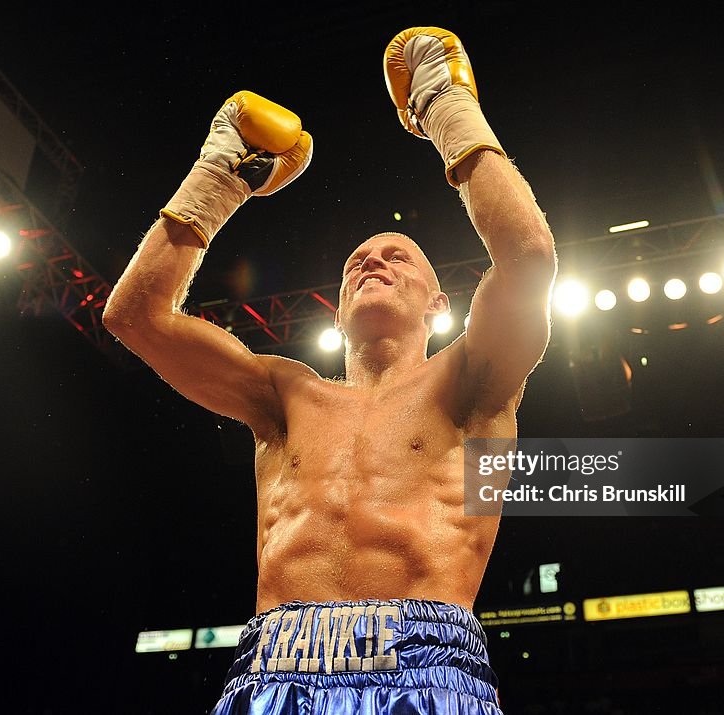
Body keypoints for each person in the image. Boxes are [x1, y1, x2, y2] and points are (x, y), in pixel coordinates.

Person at [103, 26, 557, 715]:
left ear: (439, 304)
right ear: (338, 313)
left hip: (426, 662)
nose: (372, 261)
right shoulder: (283, 393)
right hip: (274, 666)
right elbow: (134, 317)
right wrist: (219, 177)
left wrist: (445, 106)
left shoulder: (472, 384)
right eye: (356, 263)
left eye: (396, 256)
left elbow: (528, 256)